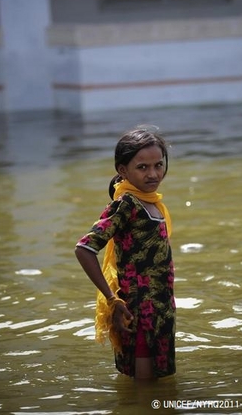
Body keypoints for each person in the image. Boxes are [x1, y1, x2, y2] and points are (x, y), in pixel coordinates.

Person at [75, 127, 176, 380]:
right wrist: (112, 300)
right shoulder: (126, 204)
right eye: (142, 167)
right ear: (123, 170)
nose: (153, 173)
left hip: (161, 309)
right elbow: (85, 248)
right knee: (144, 393)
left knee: (160, 387)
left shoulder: (152, 201)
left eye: (158, 165)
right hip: (137, 312)